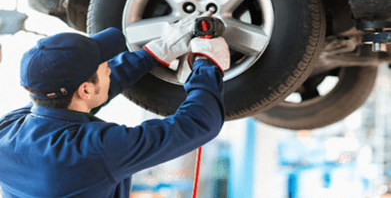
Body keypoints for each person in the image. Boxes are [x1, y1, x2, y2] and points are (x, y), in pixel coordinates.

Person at [0, 12, 230, 198]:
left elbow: (82, 99)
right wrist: (207, 65)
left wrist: (154, 53)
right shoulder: (94, 151)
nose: (110, 67)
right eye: (105, 67)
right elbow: (199, 123)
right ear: (85, 90)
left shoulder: (8, 129)